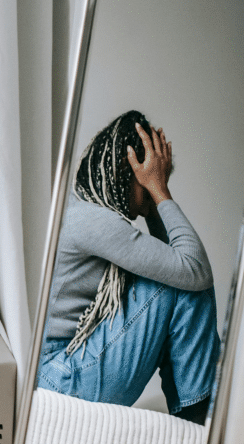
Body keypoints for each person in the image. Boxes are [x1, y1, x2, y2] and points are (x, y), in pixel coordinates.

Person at [38, 109, 218, 424]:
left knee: (181, 279)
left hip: (55, 374)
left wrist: (152, 207)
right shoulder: (95, 222)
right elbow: (193, 269)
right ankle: (199, 418)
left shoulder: (82, 206)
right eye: (150, 179)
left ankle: (197, 414)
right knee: (185, 285)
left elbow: (178, 263)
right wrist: (160, 193)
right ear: (129, 169)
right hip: (60, 382)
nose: (154, 188)